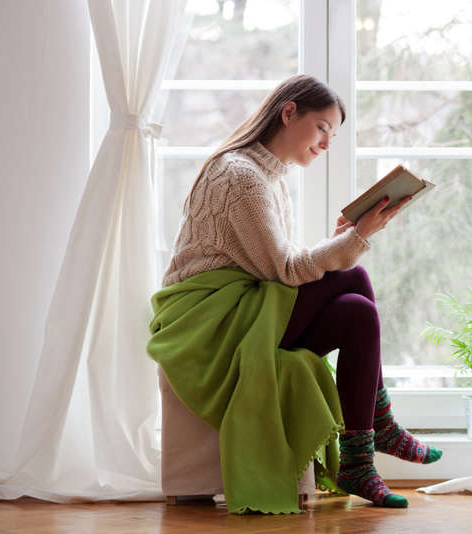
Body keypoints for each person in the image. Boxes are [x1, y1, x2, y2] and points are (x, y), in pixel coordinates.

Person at [154, 74, 442, 510]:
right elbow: (285, 270)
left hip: (245, 307)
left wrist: (344, 240)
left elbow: (273, 266)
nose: (327, 143)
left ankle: (361, 460)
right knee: (354, 279)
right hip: (209, 322)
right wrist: (354, 240)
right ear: (289, 113)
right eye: (323, 128)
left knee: (357, 310)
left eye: (334, 134)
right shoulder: (242, 176)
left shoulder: (271, 178)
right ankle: (375, 433)